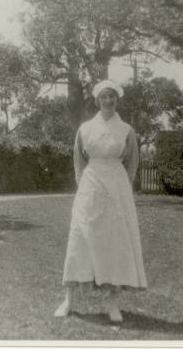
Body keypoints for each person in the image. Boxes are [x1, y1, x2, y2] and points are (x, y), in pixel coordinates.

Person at [54, 79, 147, 322]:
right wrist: (85, 186)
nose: (108, 100)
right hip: (90, 186)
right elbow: (78, 161)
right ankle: (69, 300)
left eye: (112, 97)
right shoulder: (85, 129)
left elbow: (132, 163)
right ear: (97, 100)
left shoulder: (126, 130)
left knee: (114, 243)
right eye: (104, 97)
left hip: (116, 189)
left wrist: (122, 189)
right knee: (79, 239)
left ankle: (112, 303)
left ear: (117, 100)